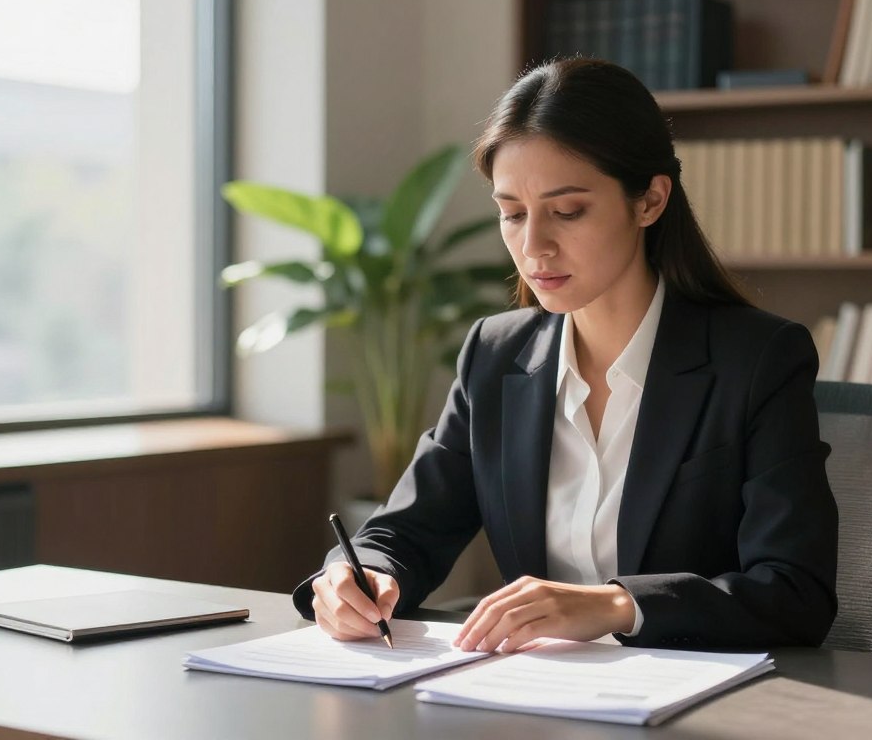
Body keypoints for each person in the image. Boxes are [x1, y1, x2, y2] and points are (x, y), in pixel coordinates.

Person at [291, 57, 838, 653]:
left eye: (568, 210)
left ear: (650, 201)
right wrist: (362, 574)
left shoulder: (757, 360)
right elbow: (404, 532)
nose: (533, 246)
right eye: (513, 213)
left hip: (695, 701)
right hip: (533, 695)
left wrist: (617, 605)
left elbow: (794, 593)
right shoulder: (496, 355)